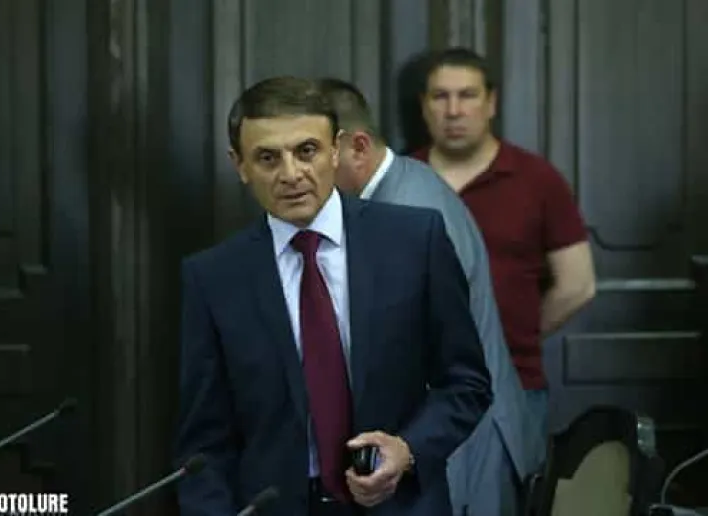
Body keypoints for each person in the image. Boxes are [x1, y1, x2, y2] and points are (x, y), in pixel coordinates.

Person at [174, 76, 492, 516]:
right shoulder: (213, 277)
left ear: (336, 150)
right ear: (240, 165)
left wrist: (408, 449)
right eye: (268, 158)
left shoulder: (415, 240)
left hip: (400, 504)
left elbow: (466, 383)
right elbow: (204, 444)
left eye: (306, 151)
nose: (291, 174)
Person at [320, 77, 543, 515]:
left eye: (315, 154)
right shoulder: (408, 182)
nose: (302, 174)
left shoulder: (406, 210)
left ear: (356, 147)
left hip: (464, 444)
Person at [411, 47, 596, 438]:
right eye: (441, 96)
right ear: (424, 105)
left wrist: (508, 338)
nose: (454, 111)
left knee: (516, 479)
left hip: (514, 385)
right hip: (418, 389)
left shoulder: (537, 180)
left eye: (467, 95)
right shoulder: (401, 180)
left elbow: (577, 285)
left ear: (491, 102)